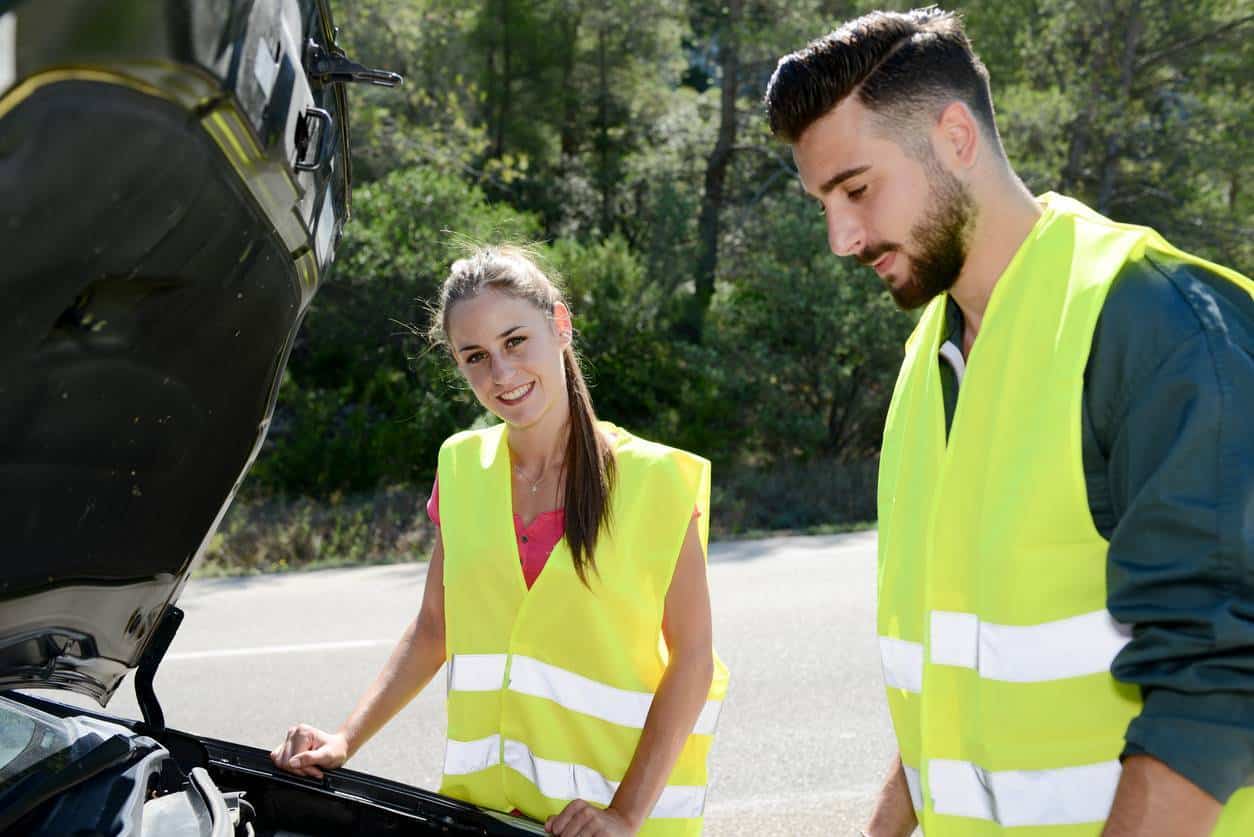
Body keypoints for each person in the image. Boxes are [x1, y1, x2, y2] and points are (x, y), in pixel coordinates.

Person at [764, 8, 1253, 837]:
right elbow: (952, 683)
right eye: (824, 202)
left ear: (955, 135)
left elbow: (1217, 686)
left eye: (856, 188)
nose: (841, 236)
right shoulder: (930, 361)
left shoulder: (1156, 324)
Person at [269, 245, 729, 836]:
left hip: (618, 826)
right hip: (489, 815)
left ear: (559, 325)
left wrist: (624, 813)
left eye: (516, 342)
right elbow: (436, 626)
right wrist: (344, 739)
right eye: (476, 357)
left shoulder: (657, 480)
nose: (502, 375)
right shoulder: (461, 466)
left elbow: (693, 660)